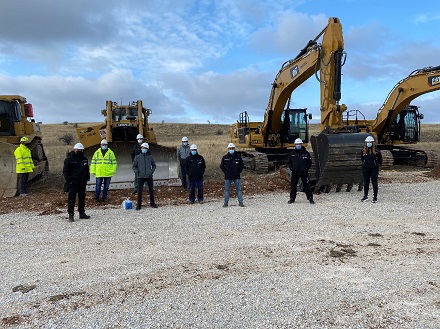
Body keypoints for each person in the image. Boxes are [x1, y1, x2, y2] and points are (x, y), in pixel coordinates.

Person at [63, 143, 91, 222]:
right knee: (72, 199)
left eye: (82, 150)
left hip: (82, 183)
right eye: (79, 150)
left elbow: (86, 169)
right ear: (74, 150)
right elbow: (65, 171)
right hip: (73, 183)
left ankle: (82, 213)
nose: (80, 151)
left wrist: (87, 178)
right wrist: (69, 181)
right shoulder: (69, 160)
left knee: (82, 198)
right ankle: (71, 214)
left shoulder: (84, 159)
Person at [287, 138, 315, 204]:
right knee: (293, 186)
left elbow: (309, 162)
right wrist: (292, 168)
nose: (298, 145)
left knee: (307, 186)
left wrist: (306, 168)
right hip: (295, 173)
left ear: (301, 144)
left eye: (299, 144)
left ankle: (310, 199)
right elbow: (289, 162)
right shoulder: (292, 154)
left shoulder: (306, 153)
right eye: (297, 144)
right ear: (295, 145)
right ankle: (292, 199)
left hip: (304, 173)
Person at [132, 142, 158, 210]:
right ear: (141, 148)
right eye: (143, 148)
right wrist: (137, 172)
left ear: (147, 149)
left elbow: (154, 165)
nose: (144, 149)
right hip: (140, 177)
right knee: (139, 191)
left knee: (151, 190)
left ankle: (152, 203)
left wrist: (151, 172)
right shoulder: (137, 157)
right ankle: (139, 204)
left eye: (145, 148)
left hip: (149, 176)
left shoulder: (150, 157)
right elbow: (134, 166)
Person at [220, 143, 245, 207]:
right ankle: (225, 203)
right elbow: (222, 166)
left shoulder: (238, 157)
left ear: (234, 149)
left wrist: (238, 172)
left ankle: (240, 202)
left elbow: (242, 165)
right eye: (230, 149)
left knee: (238, 190)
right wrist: (226, 172)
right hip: (228, 177)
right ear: (228, 149)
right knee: (227, 190)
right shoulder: (225, 157)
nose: (231, 149)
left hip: (236, 177)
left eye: (232, 148)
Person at [361, 135, 383, 203]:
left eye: (370, 142)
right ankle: (365, 196)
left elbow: (380, 160)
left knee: (374, 183)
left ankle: (375, 197)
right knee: (366, 183)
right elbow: (362, 159)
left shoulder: (376, 151)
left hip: (374, 169)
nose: (369, 144)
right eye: (367, 142)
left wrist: (377, 165)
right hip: (366, 169)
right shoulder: (363, 151)